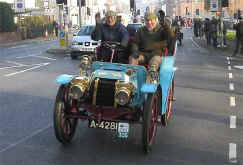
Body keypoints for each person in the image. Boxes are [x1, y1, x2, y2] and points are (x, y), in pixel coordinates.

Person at [129, 12, 175, 80]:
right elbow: (135, 43)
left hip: (157, 54)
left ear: (155, 20)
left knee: (154, 63)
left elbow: (171, 36)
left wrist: (164, 24)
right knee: (132, 58)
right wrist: (135, 51)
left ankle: (151, 81)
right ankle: (131, 79)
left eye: (151, 20)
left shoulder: (161, 29)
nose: (149, 22)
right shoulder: (141, 30)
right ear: (145, 21)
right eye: (147, 20)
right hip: (143, 54)